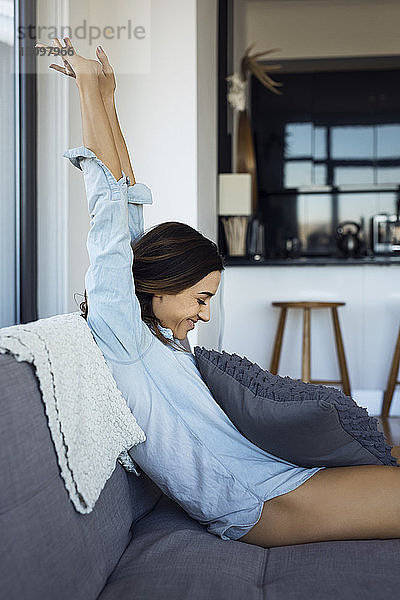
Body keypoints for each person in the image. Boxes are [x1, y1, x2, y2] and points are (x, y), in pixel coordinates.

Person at [39, 37, 400, 549]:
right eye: (201, 298)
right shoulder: (123, 340)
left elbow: (130, 207)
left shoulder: (156, 334)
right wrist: (85, 95)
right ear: (161, 286)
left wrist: (107, 98)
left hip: (273, 478)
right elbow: (108, 215)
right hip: (261, 506)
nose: (204, 316)